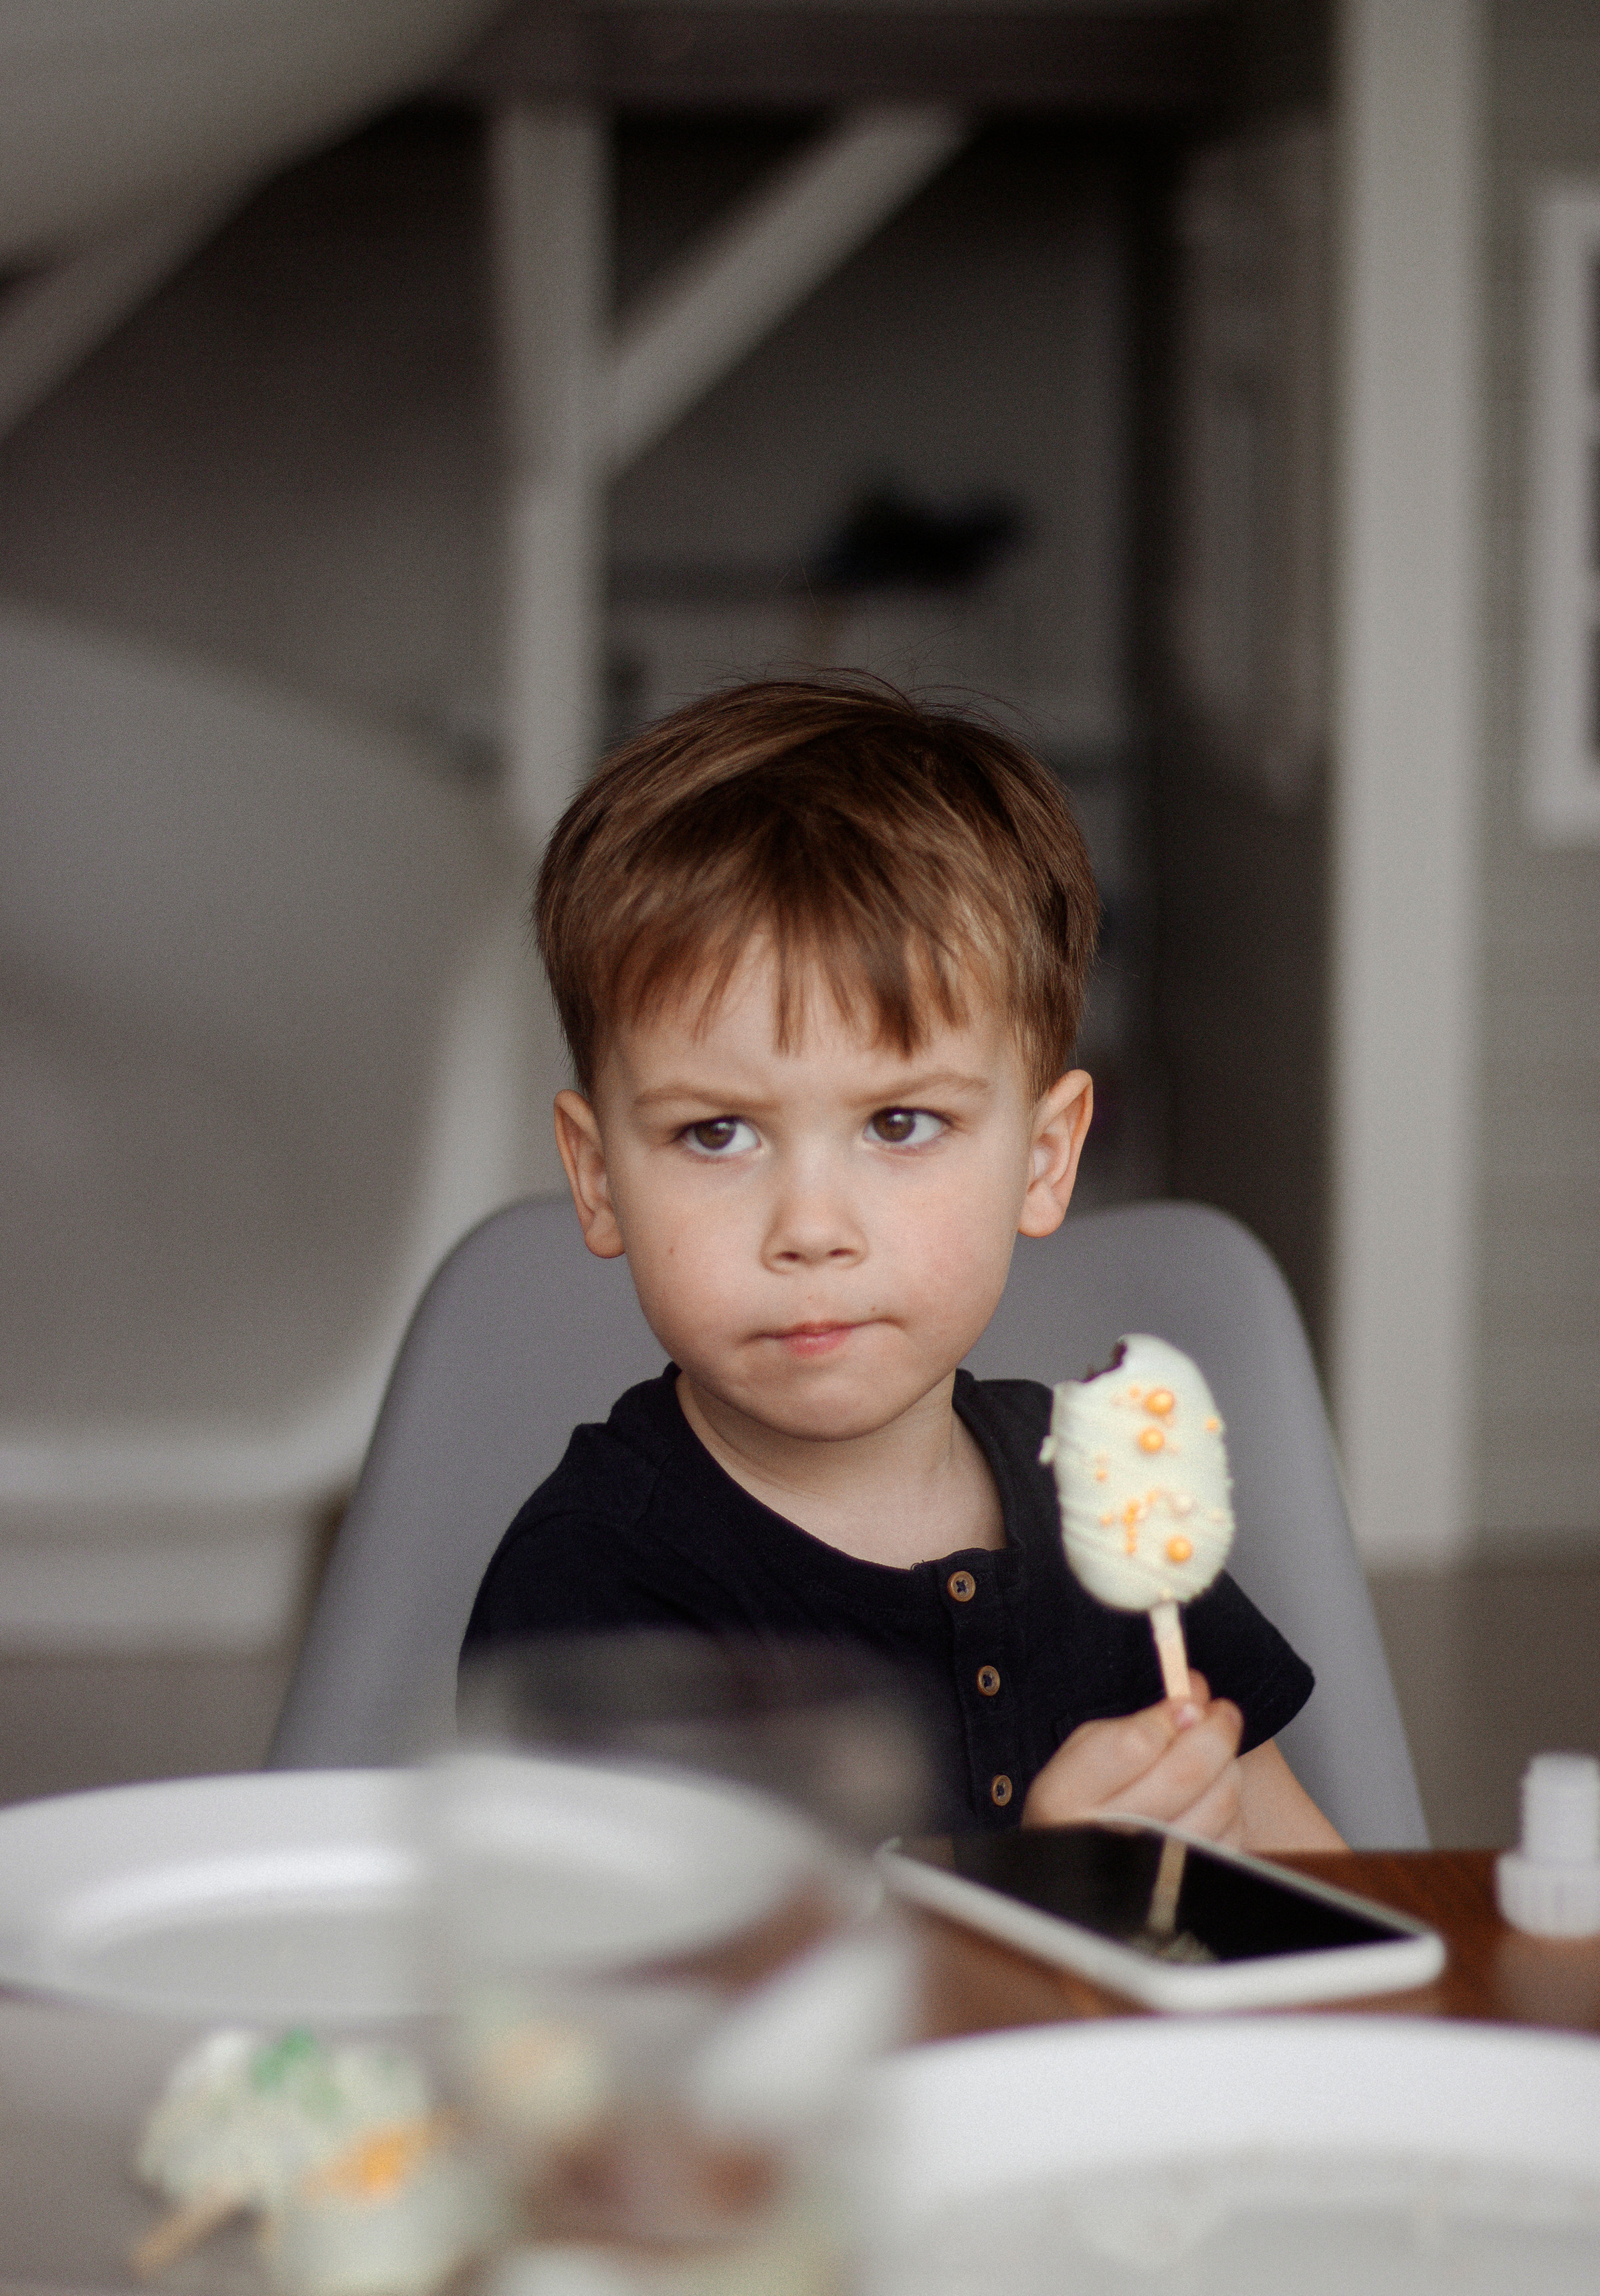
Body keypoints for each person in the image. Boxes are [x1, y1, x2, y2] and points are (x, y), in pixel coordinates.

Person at [463, 677, 1342, 1850]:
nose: (812, 1227)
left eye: (899, 1125)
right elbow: (621, 2017)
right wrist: (1036, 1894)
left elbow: (1336, 1896)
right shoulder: (594, 1592)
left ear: (1043, 1159)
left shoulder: (1103, 1504)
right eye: (716, 1133)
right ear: (597, 1175)